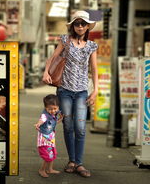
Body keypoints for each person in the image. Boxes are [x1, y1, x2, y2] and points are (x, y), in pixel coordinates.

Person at [42, 10, 98, 178]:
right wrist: (46, 72)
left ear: (88, 26)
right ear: (73, 26)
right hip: (64, 90)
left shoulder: (92, 45)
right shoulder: (65, 40)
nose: (80, 26)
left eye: (83, 24)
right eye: (77, 23)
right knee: (68, 126)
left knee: (80, 128)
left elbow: (94, 69)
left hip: (82, 91)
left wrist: (96, 90)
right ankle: (72, 161)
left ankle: (79, 163)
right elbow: (52, 58)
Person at [35, 94, 63, 178]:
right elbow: (42, 120)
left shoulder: (54, 113)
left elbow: (53, 123)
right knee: (47, 156)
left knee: (53, 154)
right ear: (45, 107)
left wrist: (60, 119)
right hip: (44, 140)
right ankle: (42, 170)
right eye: (50, 109)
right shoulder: (44, 115)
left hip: (50, 139)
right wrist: (38, 124)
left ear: (58, 107)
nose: (53, 111)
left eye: (55, 108)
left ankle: (50, 169)